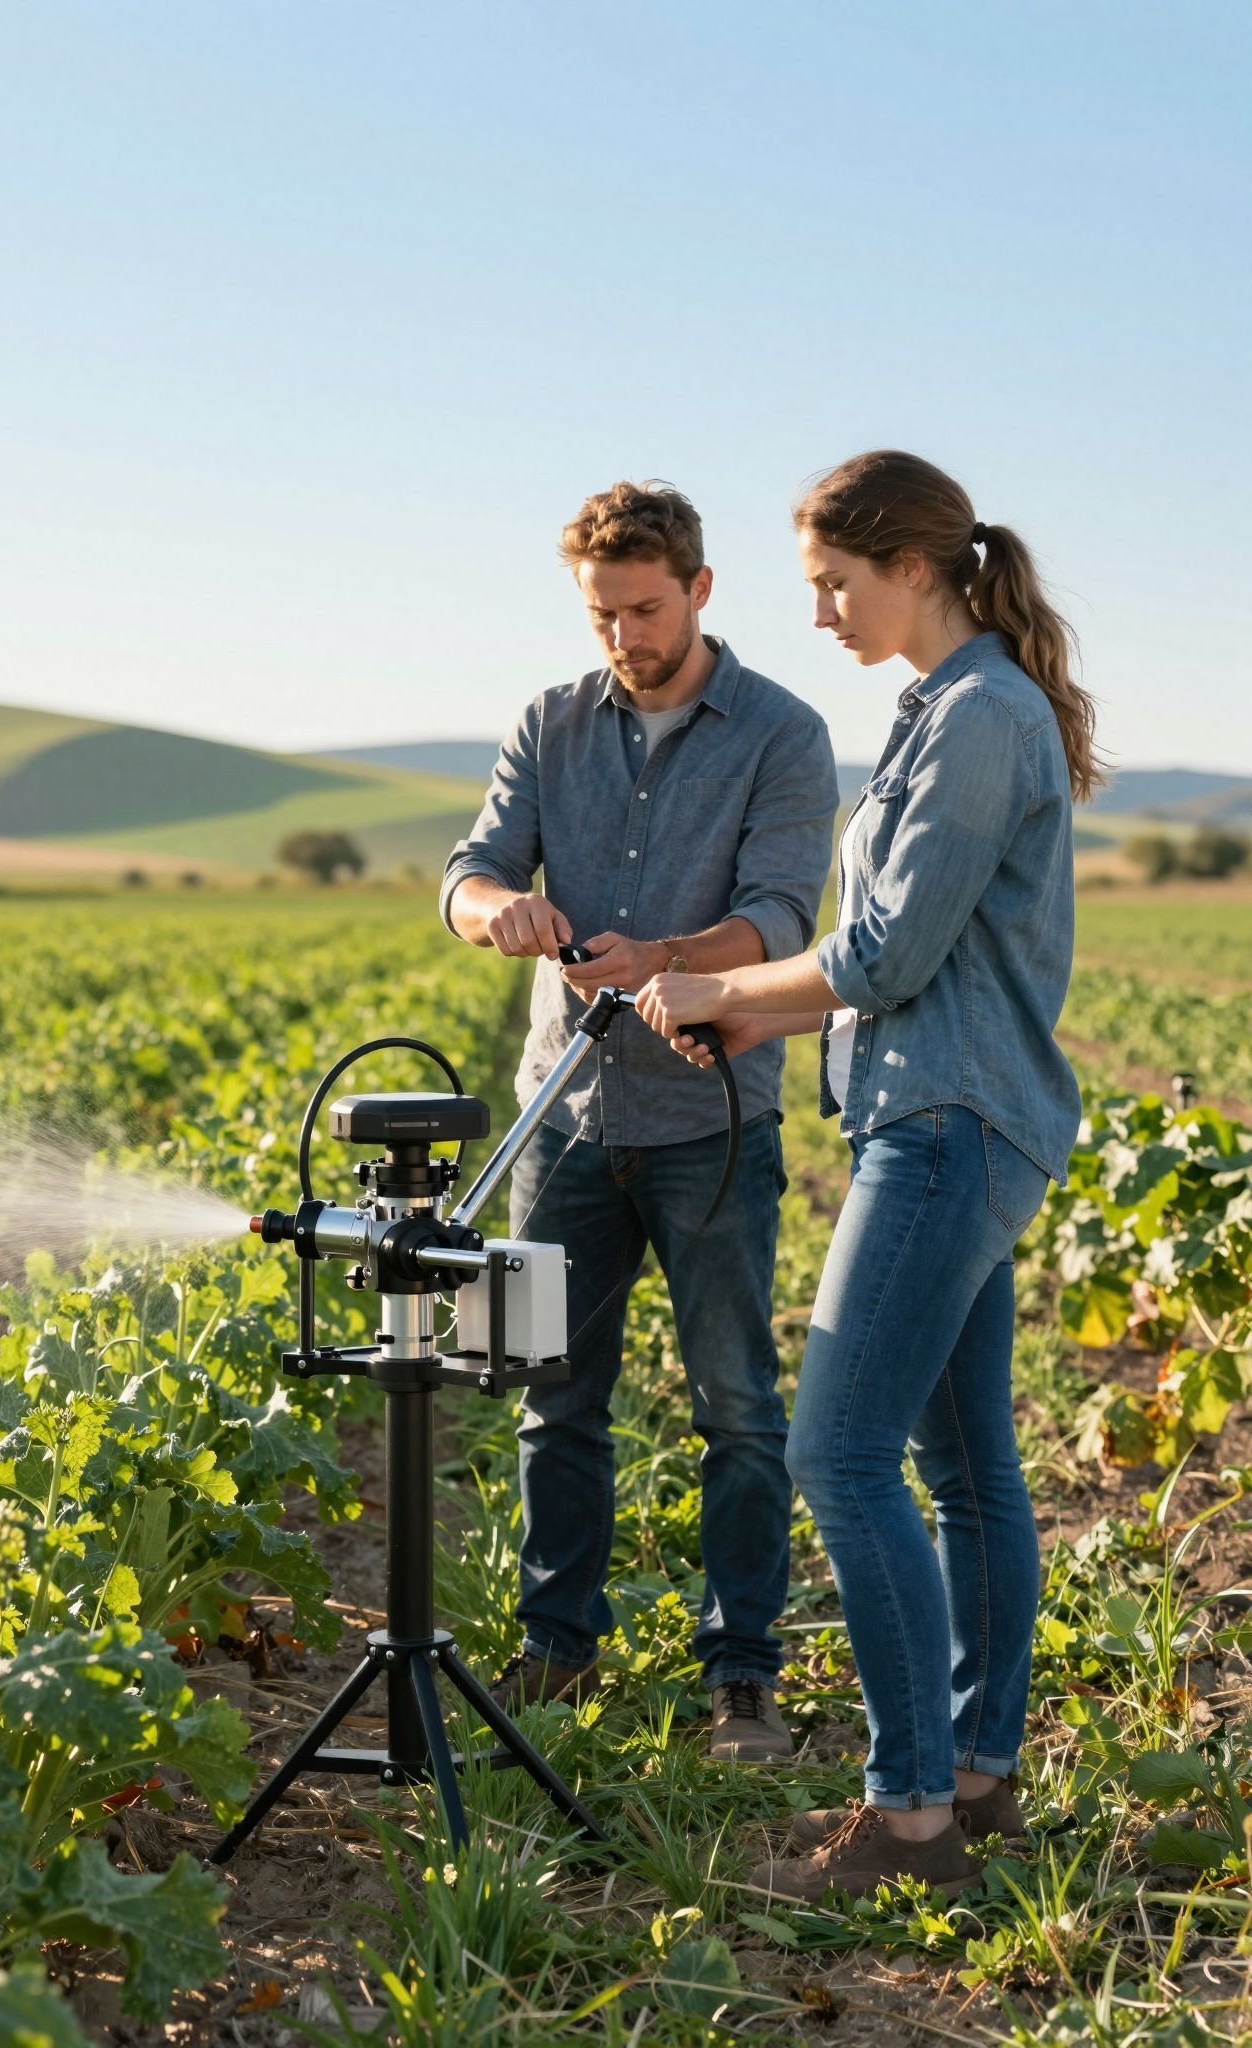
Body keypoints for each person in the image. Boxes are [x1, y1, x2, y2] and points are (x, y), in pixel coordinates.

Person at [636, 449, 1100, 1895]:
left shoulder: (980, 718)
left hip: (947, 1125)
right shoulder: (947, 707)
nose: (822, 612)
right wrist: (751, 1014)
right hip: (955, 1113)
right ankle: (976, 1780)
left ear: (912, 565)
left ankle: (908, 1820)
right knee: (962, 1468)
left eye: (836, 582)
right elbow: (903, 960)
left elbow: (888, 953)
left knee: (838, 1453)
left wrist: (727, 992)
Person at [441, 480, 838, 1761]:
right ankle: (554, 1651)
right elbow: (467, 872)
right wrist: (498, 909)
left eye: (646, 609)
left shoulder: (784, 733)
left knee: (737, 1406)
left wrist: (660, 955)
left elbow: (780, 918)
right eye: (602, 614)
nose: (624, 636)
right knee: (548, 1396)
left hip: (710, 1122)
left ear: (702, 590)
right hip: (558, 1120)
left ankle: (743, 1676)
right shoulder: (547, 722)